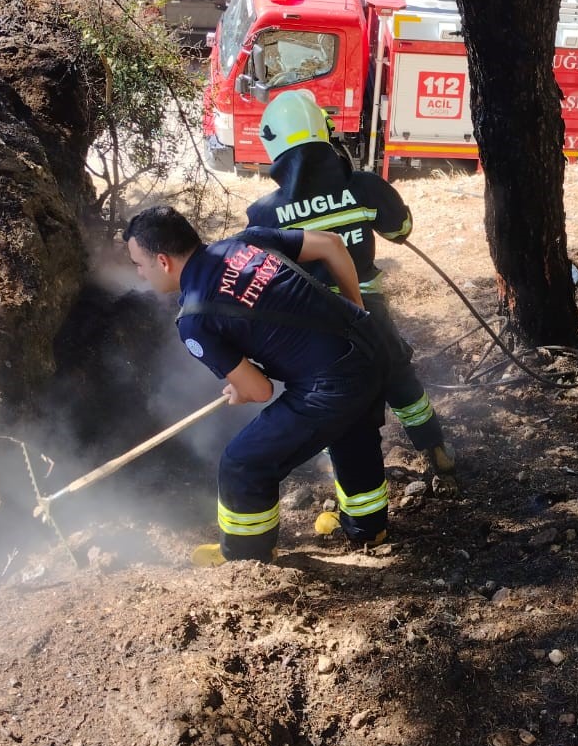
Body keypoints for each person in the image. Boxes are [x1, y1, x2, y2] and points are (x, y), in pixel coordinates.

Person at [124, 205, 390, 566]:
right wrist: (356, 312)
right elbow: (331, 244)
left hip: (333, 383)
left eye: (139, 265)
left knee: (242, 463)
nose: (140, 275)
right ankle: (369, 531)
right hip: (372, 346)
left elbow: (260, 391)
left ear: (163, 261)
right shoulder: (248, 241)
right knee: (351, 432)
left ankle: (246, 561)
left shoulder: (194, 320)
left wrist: (241, 388)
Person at [246, 90, 456, 485]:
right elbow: (400, 230)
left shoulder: (263, 213)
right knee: (400, 379)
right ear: (325, 133)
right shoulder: (363, 186)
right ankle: (435, 449)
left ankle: (346, 478)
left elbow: (264, 278)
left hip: (315, 331)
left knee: (339, 404)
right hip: (369, 314)